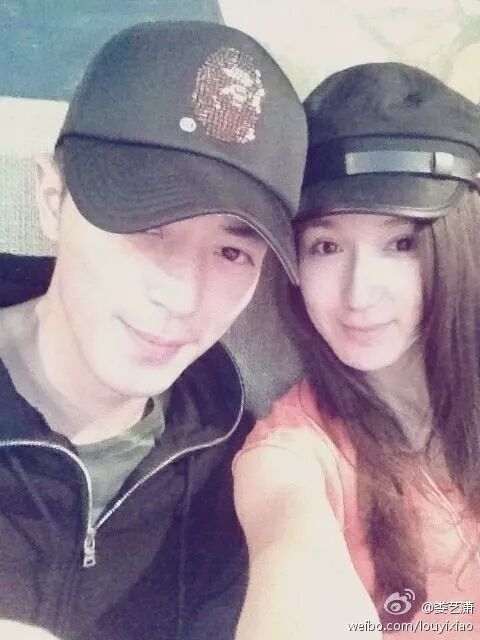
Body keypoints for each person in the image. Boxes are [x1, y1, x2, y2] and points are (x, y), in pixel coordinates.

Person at [0, 20, 307, 640]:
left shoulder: (230, 455)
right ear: (53, 198)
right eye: (147, 226)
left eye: (231, 252)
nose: (182, 297)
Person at [233, 62, 480, 639]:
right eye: (326, 246)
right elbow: (293, 556)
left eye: (401, 243)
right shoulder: (294, 454)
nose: (358, 293)